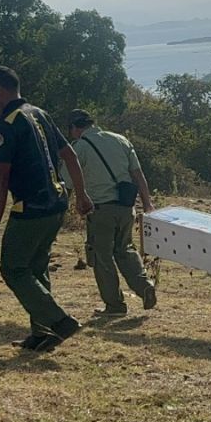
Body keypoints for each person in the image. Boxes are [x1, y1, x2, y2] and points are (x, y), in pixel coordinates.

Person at [0, 66, 93, 353]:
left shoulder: (7, 124)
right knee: (37, 268)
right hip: (56, 203)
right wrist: (81, 194)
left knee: (13, 268)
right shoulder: (39, 113)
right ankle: (43, 334)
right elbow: (70, 154)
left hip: (31, 206)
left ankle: (59, 321)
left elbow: (2, 178)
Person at [64, 109, 158, 318]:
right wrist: (147, 204)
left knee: (101, 257)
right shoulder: (121, 140)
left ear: (75, 128)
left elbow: (67, 183)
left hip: (100, 209)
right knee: (125, 249)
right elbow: (138, 174)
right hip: (126, 207)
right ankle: (144, 286)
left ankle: (115, 305)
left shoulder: (79, 148)